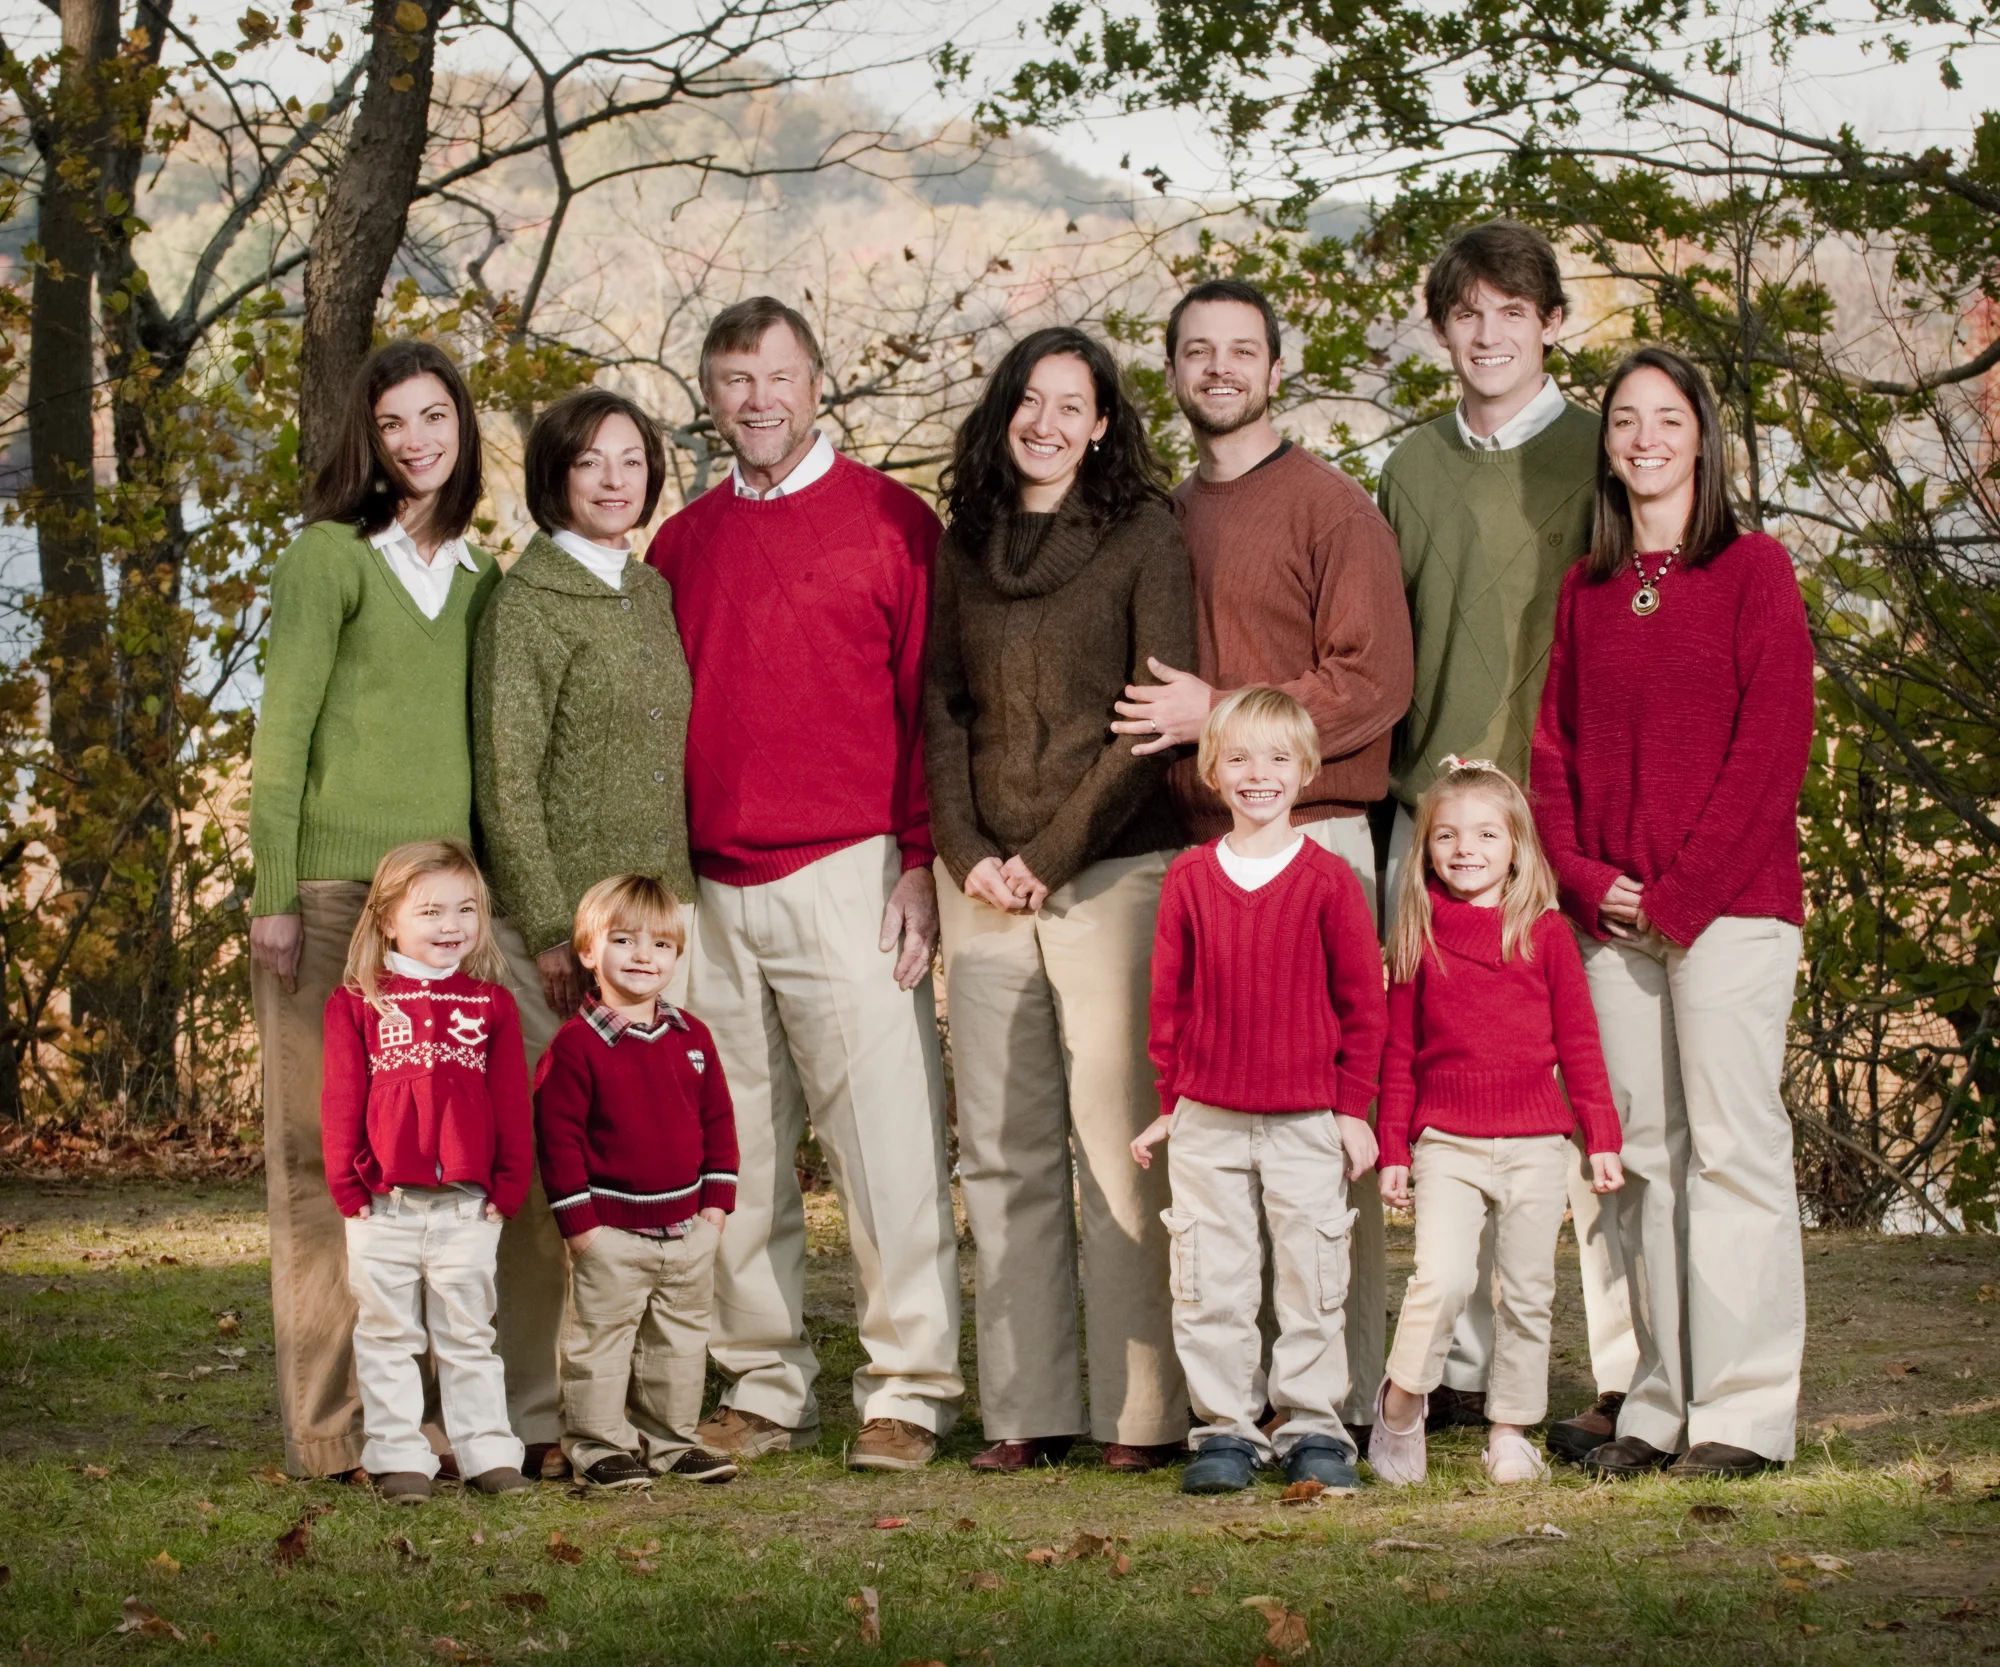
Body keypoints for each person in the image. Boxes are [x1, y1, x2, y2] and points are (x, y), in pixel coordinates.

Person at [646, 297, 961, 1472]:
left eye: (776, 377)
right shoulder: (683, 541)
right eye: (734, 379)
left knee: (887, 1146)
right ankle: (763, 1380)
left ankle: (909, 1385)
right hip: (708, 886)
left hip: (849, 868)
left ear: (815, 383)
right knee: (738, 1153)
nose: (756, 400)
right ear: (711, 392)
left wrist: (921, 859)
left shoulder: (891, 522)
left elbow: (932, 708)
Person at [1113, 279, 1412, 1446]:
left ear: (1274, 370)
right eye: (1197, 350)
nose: (1218, 368)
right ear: (1175, 370)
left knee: (1320, 1162)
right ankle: (1222, 1412)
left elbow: (1371, 680)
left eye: (1241, 350)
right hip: (1195, 857)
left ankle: (1334, 1409)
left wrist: (1223, 716)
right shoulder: (1165, 513)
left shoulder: (1328, 508)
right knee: (1219, 1167)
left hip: (1315, 838)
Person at [1375, 220, 1635, 1461]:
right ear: (1442, 328)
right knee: (1450, 1086)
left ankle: (1623, 1382)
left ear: (1546, 323)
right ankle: (1467, 1376)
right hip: (1435, 814)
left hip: (1557, 812)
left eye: (1510, 311)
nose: (1486, 333)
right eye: (1464, 312)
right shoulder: (1412, 464)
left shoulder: (1598, 452)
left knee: (1578, 1100)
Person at [1531, 345, 1814, 1479]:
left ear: (1700, 433)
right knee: (1637, 1157)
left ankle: (1740, 1414)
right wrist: (1589, 879)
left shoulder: (1753, 569)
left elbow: (1771, 746)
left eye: (1665, 418)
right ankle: (1654, 1401)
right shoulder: (1585, 587)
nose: (1642, 437)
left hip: (1728, 910)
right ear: (1606, 445)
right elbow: (1549, 752)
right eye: (1623, 421)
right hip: (1612, 913)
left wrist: (1685, 893)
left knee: (1732, 1152)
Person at [926, 326, 1196, 1474]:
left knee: (1117, 1149)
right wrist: (966, 849)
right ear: (1005, 413)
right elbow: (941, 714)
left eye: (1069, 405)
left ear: (1100, 425)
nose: (1044, 421)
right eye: (1027, 400)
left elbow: (1151, 721)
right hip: (982, 884)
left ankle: (1142, 1409)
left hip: (1112, 870)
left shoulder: (1144, 536)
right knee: (1001, 1151)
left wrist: (1049, 852)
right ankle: (1023, 1407)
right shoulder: (963, 543)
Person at [249, 340, 499, 1477]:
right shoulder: (327, 560)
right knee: (321, 1157)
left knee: (436, 1167)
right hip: (332, 896)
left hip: (438, 911)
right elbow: (281, 736)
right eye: (392, 420)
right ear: (367, 434)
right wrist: (273, 894)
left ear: (462, 427)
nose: (413, 439)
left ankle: (427, 1420)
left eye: (433, 415)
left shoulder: (483, 578)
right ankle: (330, 1427)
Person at [473, 386, 695, 1478]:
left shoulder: (648, 590)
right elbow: (506, 779)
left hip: (651, 933)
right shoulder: (529, 600)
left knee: (639, 1169)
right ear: (553, 477)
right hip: (561, 937)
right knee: (548, 1175)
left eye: (631, 461)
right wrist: (554, 928)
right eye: (590, 463)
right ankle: (533, 1409)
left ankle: (641, 1409)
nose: (615, 481)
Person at [1133, 686, 1387, 1495]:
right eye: (1238, 757)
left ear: (1306, 768)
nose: (1258, 774)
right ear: (1213, 769)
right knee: (1213, 1276)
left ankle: (1313, 1425)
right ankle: (1225, 1428)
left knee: (1313, 1277)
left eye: (1277, 757)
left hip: (1308, 1119)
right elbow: (1169, 999)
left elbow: (1363, 1004)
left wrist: (1353, 1109)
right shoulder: (1190, 878)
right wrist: (1171, 1102)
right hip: (1209, 1117)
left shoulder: (1331, 880)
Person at [1364, 762, 1623, 1489]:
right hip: (1446, 1141)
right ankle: (1403, 1398)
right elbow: (1399, 1054)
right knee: (1442, 1277)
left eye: (1484, 833)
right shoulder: (1417, 934)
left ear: (1517, 845)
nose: (1464, 848)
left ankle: (1511, 1428)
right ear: (1426, 848)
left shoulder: (1546, 934)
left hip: (1537, 1142)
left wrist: (1600, 1136)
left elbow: (1580, 1045)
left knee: (1528, 1287)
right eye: (1445, 834)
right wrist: (1393, 1147)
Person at [320, 840, 534, 1502]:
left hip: (467, 1207)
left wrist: (507, 1187)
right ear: (387, 918)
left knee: (469, 1333)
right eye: (432, 910)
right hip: (383, 1206)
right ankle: (399, 1454)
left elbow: (510, 1105)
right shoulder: (359, 1000)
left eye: (466, 909)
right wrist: (348, 1188)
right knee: (388, 1334)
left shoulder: (490, 1003)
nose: (451, 926)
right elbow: (340, 1100)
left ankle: (486, 1452)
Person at [534, 875, 740, 1490]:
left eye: (661, 945)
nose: (644, 956)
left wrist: (716, 1211)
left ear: (677, 956)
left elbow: (720, 1123)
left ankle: (672, 1441)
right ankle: (597, 1445)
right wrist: (583, 1230)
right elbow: (559, 1140)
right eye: (624, 940)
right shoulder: (575, 1047)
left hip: (687, 1231)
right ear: (589, 953)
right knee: (599, 1342)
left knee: (677, 1342)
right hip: (610, 1232)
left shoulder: (692, 1037)